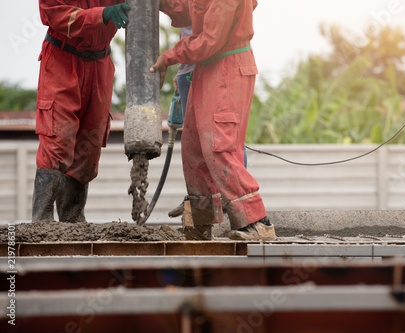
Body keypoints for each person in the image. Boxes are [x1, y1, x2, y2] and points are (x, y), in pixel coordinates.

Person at [151, 0, 275, 240]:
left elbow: (210, 40)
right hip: (207, 67)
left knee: (219, 145)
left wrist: (169, 56)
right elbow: (190, 10)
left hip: (227, 66)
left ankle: (258, 223)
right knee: (194, 145)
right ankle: (202, 222)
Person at [33, 0, 130, 222]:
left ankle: (73, 219)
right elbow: (56, 15)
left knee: (90, 144)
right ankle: (42, 223)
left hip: (99, 63)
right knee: (58, 137)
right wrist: (103, 15)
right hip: (62, 58)